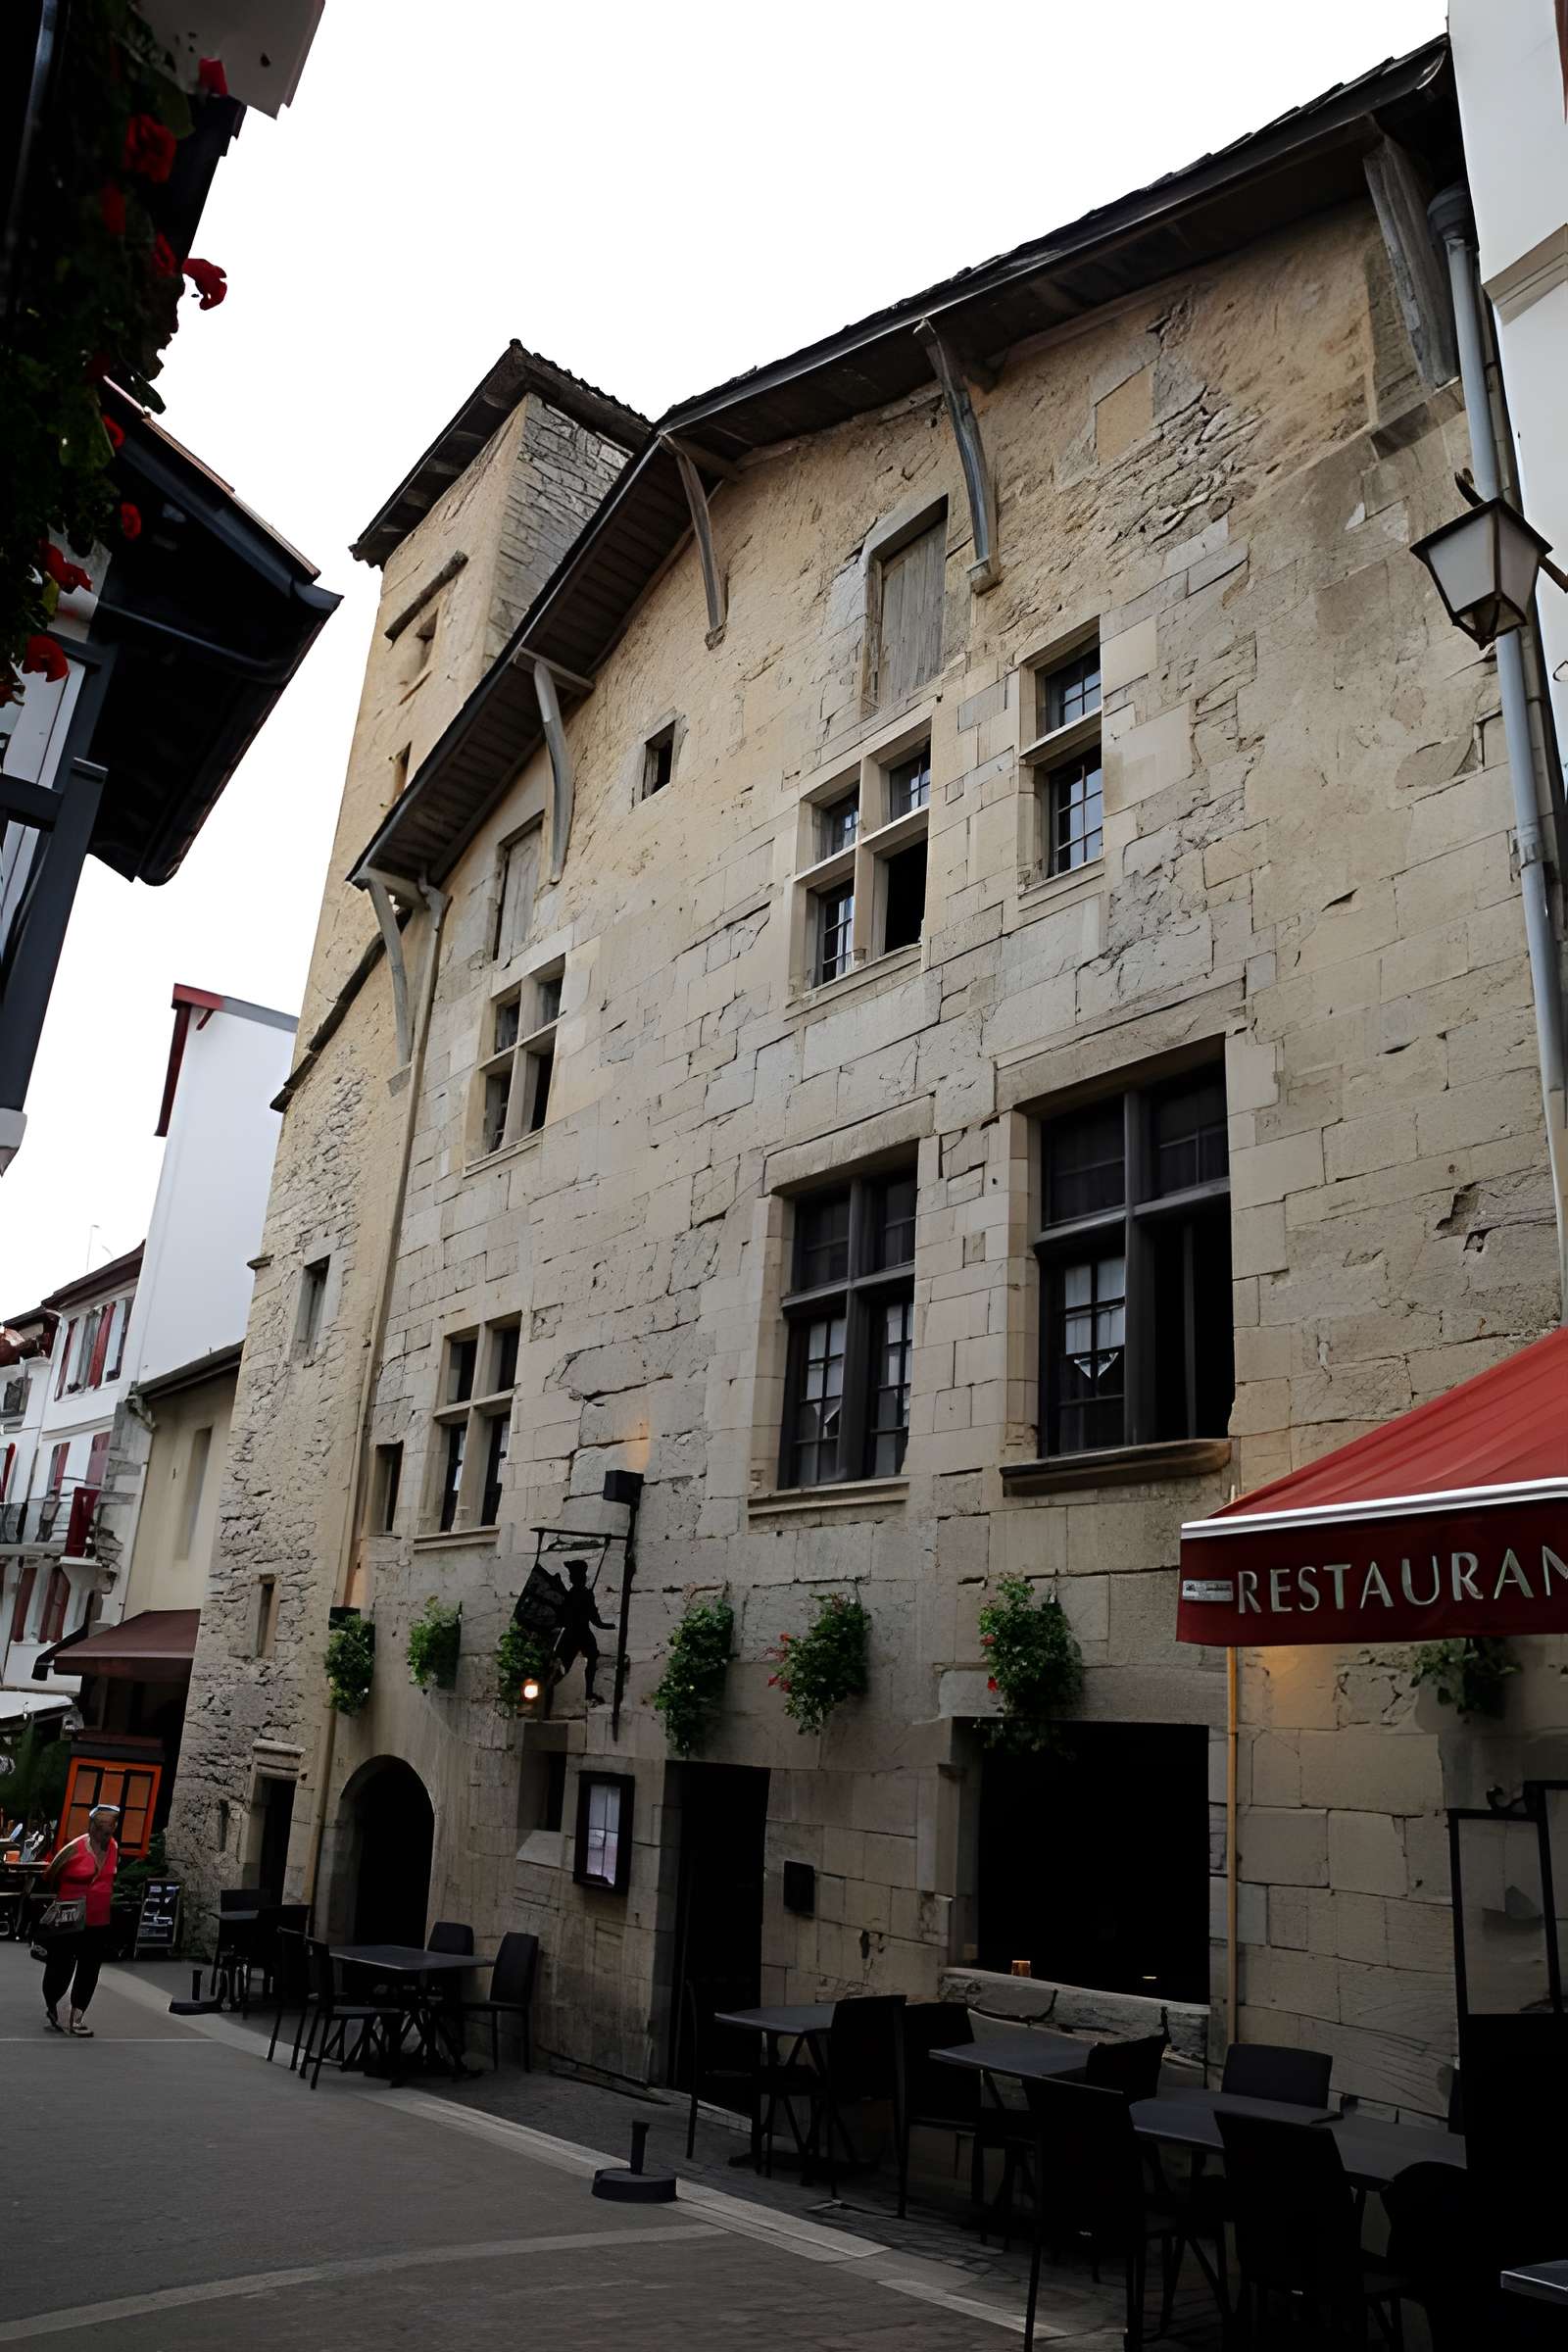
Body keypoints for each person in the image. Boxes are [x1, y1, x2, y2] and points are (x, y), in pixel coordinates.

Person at [38, 1803, 119, 2036]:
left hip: (98, 1918)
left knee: (90, 1968)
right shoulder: (74, 1849)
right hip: (70, 1917)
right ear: (92, 1827)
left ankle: (77, 2015)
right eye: (102, 1828)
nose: (106, 1833)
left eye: (110, 1828)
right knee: (61, 1965)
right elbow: (49, 1875)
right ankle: (55, 2004)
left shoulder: (114, 1848)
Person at [556, 1557, 610, 1705]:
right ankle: (587, 1691)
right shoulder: (578, 1594)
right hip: (575, 1633)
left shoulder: (579, 1594)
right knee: (564, 1664)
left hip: (578, 1633)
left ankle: (589, 1691)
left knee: (591, 1658)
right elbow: (594, 1619)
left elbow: (594, 1618)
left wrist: (607, 1625)